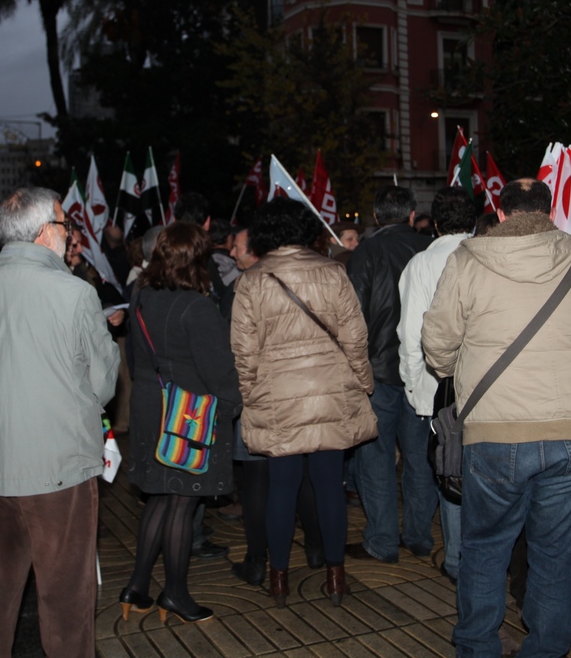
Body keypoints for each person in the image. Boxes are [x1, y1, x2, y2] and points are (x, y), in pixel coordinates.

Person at [422, 178, 571, 658]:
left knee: (485, 547)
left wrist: (451, 368)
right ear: (549, 213)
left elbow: (437, 343)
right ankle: (546, 648)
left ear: (501, 213)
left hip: (496, 428)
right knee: (556, 552)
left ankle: (478, 645)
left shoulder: (467, 260)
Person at [0, 187, 119, 657]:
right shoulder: (74, 293)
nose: (68, 237)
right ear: (47, 232)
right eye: (65, 226)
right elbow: (103, 383)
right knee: (65, 601)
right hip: (58, 471)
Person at [230, 198, 377, 607]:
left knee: (282, 486)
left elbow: (243, 352)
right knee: (330, 485)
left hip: (278, 398)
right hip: (330, 391)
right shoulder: (333, 271)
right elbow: (354, 335)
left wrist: (250, 396)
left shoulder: (252, 280)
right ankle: (335, 576)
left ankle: (278, 579)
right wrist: (364, 384)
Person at [120, 223, 241, 623]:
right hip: (187, 415)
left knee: (159, 497)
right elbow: (219, 371)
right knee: (183, 502)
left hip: (150, 407)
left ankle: (137, 587)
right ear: (196, 259)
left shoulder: (140, 296)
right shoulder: (198, 306)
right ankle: (174, 594)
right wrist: (231, 405)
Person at [345, 185, 433, 564]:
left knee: (376, 458)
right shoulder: (428, 249)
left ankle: (382, 541)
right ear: (412, 214)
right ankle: (419, 535)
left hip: (378, 372)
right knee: (419, 458)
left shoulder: (366, 252)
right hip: (422, 371)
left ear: (377, 217)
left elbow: (353, 316)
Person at [396, 186, 478, 584]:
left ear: (437, 222)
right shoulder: (490, 257)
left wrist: (416, 391)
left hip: (437, 390)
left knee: (449, 471)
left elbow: (412, 333)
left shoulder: (421, 263)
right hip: (492, 388)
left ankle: (459, 559)